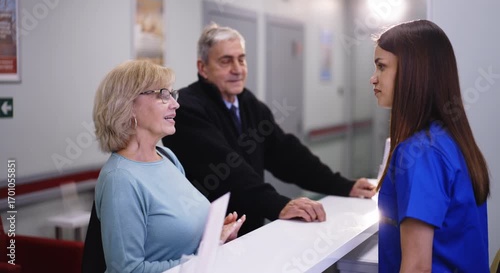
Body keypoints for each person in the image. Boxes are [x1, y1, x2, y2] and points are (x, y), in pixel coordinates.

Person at [162, 23, 376, 235]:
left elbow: (288, 156)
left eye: (241, 59)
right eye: (226, 61)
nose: (237, 69)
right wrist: (278, 204)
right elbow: (227, 170)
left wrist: (344, 186)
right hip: (209, 239)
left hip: (252, 233)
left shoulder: (249, 104)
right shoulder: (186, 109)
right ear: (203, 68)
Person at [92, 60, 245, 273]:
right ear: (127, 104)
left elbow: (177, 237)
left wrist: (214, 239)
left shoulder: (167, 157)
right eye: (163, 95)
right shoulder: (120, 180)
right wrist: (201, 259)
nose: (175, 104)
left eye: (173, 95)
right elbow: (127, 270)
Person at [370, 20, 490, 272]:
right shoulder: (447, 139)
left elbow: (417, 267)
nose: (373, 78)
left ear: (414, 72)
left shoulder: (420, 152)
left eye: (382, 67)